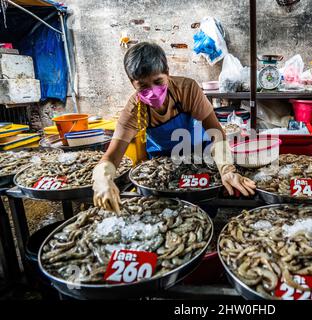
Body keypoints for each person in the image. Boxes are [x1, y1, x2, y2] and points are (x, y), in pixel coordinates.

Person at [92, 42, 255, 213]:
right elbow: (111, 157)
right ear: (132, 84)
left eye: (158, 81)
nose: (153, 91)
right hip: (163, 163)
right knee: (166, 210)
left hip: (200, 157)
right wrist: (103, 179)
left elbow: (217, 134)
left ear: (167, 73)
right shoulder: (135, 109)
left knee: (203, 207)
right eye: (143, 86)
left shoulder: (187, 89)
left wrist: (226, 168)